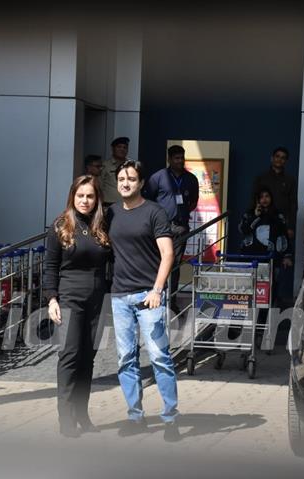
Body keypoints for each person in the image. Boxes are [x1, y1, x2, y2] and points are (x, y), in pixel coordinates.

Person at [106, 159, 180, 442]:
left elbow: (168, 254)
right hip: (120, 295)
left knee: (160, 357)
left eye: (132, 178)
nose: (126, 182)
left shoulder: (154, 212)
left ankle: (170, 419)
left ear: (141, 183)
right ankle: (135, 417)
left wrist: (157, 290)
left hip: (148, 296)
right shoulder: (111, 213)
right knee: (126, 359)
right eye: (122, 178)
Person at [43, 175, 111, 438]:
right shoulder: (60, 225)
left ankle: (82, 414)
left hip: (98, 300)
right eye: (80, 195)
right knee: (70, 357)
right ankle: (66, 418)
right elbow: (50, 266)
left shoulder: (102, 225)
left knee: (88, 359)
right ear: (73, 196)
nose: (85, 201)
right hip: (69, 298)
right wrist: (52, 299)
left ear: (97, 199)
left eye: (90, 196)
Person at [144, 144, 199, 296]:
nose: (180, 161)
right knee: (158, 261)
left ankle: (171, 299)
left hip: (180, 227)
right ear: (169, 159)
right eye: (176, 158)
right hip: (161, 227)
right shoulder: (158, 177)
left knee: (175, 264)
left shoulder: (191, 179)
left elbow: (193, 202)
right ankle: (155, 295)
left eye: (182, 158)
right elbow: (148, 200)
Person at [239, 187, 293, 268]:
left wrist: (287, 256)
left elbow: (284, 235)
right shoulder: (249, 214)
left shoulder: (278, 215)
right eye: (261, 197)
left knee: (272, 279)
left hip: (272, 257)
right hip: (251, 256)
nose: (264, 199)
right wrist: (255, 216)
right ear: (257, 200)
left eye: (267, 196)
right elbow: (244, 230)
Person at [252, 147, 297, 239]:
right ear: (272, 158)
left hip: (282, 222)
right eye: (277, 156)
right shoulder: (261, 178)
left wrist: (291, 227)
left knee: (281, 250)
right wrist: (254, 219)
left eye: (283, 158)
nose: (279, 160)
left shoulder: (290, 180)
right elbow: (254, 199)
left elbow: (293, 204)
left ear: (286, 161)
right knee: (262, 249)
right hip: (263, 221)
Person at [100, 136, 130, 207]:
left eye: (125, 147)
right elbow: (99, 186)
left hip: (127, 203)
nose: (122, 149)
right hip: (109, 204)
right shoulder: (105, 165)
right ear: (113, 149)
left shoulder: (131, 165)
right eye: (119, 147)